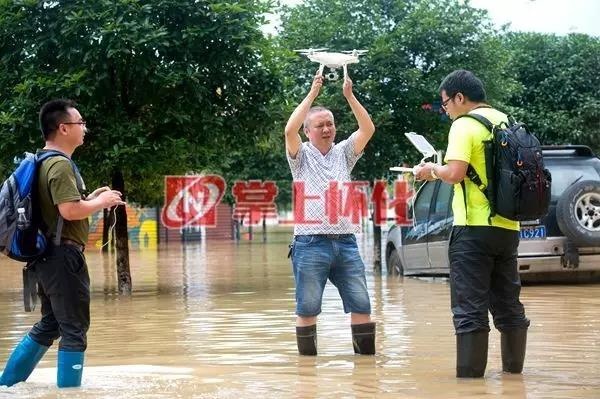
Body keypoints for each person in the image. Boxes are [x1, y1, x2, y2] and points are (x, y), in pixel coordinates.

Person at [0, 99, 125, 388]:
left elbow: (60, 211)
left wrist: (91, 199)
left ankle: (7, 385)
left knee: (52, 324)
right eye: (81, 123)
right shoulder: (60, 165)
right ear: (63, 128)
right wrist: (101, 202)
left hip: (46, 257)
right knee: (74, 329)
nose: (85, 128)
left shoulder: (43, 161)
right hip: (62, 259)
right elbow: (69, 211)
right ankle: (70, 393)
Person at [415, 70, 530, 378]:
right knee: (509, 305)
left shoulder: (464, 125)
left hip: (472, 230)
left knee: (469, 309)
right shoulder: (506, 121)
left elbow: (454, 173)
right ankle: (513, 375)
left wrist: (430, 171)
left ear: (460, 98)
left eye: (445, 103)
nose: (445, 110)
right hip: (508, 229)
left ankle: (469, 383)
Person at [284, 69, 376, 356]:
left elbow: (367, 129)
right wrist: (312, 94)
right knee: (308, 307)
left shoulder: (344, 153)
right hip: (310, 243)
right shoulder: (300, 157)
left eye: (330, 124)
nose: (326, 129)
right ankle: (308, 373)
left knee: (361, 304)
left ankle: (365, 370)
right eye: (320, 125)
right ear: (308, 131)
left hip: (346, 242)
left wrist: (349, 96)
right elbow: (289, 131)